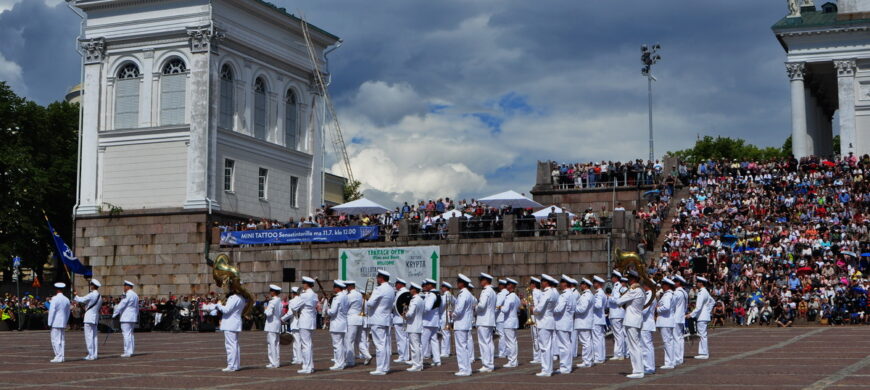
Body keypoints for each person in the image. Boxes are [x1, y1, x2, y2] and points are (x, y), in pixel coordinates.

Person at [365, 270, 396, 376]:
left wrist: (367, 298)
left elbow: (370, 303)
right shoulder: (391, 289)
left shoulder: (379, 289)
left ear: (381, 278)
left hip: (377, 319)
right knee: (386, 344)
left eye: (378, 277)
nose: (377, 280)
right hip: (386, 319)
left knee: (379, 345)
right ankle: (385, 367)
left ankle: (380, 368)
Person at [616, 272, 646, 379]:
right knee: (635, 345)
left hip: (632, 320)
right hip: (636, 319)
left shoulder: (634, 291)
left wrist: (624, 293)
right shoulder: (641, 290)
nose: (628, 280)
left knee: (634, 346)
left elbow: (619, 301)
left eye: (630, 278)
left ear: (634, 279)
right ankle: (639, 369)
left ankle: (638, 371)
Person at [214, 285, 247, 372]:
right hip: (235, 323)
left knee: (230, 345)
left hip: (229, 323)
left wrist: (219, 305)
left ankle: (231, 365)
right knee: (235, 345)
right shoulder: (242, 298)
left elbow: (226, 310)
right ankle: (236, 365)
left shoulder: (233, 298)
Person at [291, 277, 318, 374]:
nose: (303, 285)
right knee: (309, 344)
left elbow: (294, 307)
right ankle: (309, 366)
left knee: (305, 345)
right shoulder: (314, 295)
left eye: (303, 283)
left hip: (304, 321)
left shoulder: (305, 295)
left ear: (306, 284)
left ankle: (307, 366)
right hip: (311, 320)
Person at [534, 274, 559, 377]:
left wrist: (533, 309)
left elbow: (539, 309)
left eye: (542, 281)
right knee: (547, 346)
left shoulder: (547, 293)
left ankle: (546, 369)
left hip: (544, 321)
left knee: (545, 347)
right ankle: (548, 368)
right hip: (549, 320)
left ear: (546, 282)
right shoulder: (553, 293)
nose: (541, 283)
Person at [452, 273, 475, 376]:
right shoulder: (469, 294)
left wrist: (452, 315)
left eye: (458, 282)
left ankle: (464, 369)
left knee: (461, 347)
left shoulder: (463, 294)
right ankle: (467, 368)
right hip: (465, 323)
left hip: (460, 323)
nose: (457, 284)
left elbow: (459, 310)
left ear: (461, 283)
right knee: (464, 347)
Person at [73, 279, 102, 361]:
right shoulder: (99, 296)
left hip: (89, 317)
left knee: (88, 337)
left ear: (93, 286)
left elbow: (81, 299)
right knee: (94, 336)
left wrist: (76, 295)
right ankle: (94, 354)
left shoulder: (92, 294)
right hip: (95, 317)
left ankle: (90, 354)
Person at [554, 275, 576, 374]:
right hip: (568, 322)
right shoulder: (571, 294)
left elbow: (559, 309)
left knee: (563, 346)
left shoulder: (564, 295)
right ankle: (567, 366)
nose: (560, 285)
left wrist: (550, 310)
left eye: (561, 283)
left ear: (565, 283)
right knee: (567, 345)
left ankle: (565, 367)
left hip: (562, 322)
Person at [687, 276, 714, 359]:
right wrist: (707, 310)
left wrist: (690, 315)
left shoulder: (702, 292)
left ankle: (704, 354)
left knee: (702, 335)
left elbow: (698, 307)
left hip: (702, 317)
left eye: (698, 282)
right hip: (703, 316)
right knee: (702, 335)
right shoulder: (705, 291)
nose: (696, 284)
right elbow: (713, 301)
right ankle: (703, 353)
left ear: (701, 283)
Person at [344, 281, 369, 367]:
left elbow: (346, 306)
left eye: (347, 286)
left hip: (352, 319)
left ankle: (350, 361)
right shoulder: (359, 294)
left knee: (349, 340)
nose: (346, 288)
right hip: (359, 318)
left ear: (349, 286)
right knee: (359, 340)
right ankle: (367, 355)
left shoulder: (349, 296)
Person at [475, 272, 497, 373]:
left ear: (485, 281)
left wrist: (475, 308)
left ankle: (486, 364)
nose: (480, 282)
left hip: (483, 320)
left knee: (484, 343)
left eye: (481, 280)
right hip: (490, 320)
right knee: (489, 343)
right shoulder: (492, 291)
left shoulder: (485, 291)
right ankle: (490, 364)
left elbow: (482, 305)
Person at [112, 280, 139, 358]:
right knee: (130, 334)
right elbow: (137, 307)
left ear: (128, 286)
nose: (123, 287)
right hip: (132, 316)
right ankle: (131, 350)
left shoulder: (128, 294)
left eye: (124, 286)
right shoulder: (135, 295)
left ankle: (127, 351)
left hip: (126, 316)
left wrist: (115, 313)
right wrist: (136, 315)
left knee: (126, 334)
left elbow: (122, 304)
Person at [327, 280, 349, 371]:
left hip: (336, 323)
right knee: (341, 344)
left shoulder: (337, 298)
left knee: (337, 345)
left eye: (334, 287)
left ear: (337, 288)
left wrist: (328, 309)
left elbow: (332, 312)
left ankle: (339, 363)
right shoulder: (345, 296)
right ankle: (341, 362)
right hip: (343, 323)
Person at [499, 278, 520, 368]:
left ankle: (512, 361)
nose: (507, 286)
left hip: (508, 321)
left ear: (511, 286)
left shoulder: (510, 296)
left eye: (508, 285)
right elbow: (519, 306)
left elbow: (505, 309)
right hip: (514, 320)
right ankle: (514, 360)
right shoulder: (516, 296)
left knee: (510, 342)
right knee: (514, 342)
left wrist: (500, 307)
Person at [574, 278, 595, 368]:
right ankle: (587, 360)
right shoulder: (588, 295)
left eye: (582, 284)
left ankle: (587, 361)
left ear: (585, 285)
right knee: (586, 341)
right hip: (585, 321)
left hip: (583, 321)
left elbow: (582, 309)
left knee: (586, 342)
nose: (580, 286)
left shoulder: (586, 296)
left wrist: (572, 309)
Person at [656, 278, 676, 370]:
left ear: (667, 285)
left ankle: (669, 362)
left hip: (665, 320)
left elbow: (666, 307)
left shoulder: (667, 295)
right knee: (669, 342)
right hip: (669, 320)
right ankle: (671, 361)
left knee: (667, 342)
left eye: (663, 284)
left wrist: (656, 309)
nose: (662, 286)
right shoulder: (671, 294)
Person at [421, 279, 441, 367]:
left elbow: (427, 308)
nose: (426, 287)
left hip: (428, 321)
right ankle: (437, 360)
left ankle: (418, 359)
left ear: (430, 285)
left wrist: (420, 311)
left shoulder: (431, 295)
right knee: (434, 341)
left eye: (427, 285)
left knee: (423, 341)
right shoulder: (438, 294)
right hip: (434, 320)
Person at [48, 282, 70, 363]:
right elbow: (68, 312)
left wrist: (49, 322)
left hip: (55, 321)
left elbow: (52, 311)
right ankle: (62, 356)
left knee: (55, 339)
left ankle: (58, 356)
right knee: (62, 339)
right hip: (63, 321)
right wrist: (66, 320)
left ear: (57, 290)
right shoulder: (66, 299)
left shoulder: (55, 298)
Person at [280, 287, 303, 365]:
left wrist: (282, 319)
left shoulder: (292, 301)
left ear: (293, 293)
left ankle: (298, 358)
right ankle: (296, 357)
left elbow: (290, 313)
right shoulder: (302, 299)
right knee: (298, 341)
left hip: (295, 323)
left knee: (297, 341)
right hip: (302, 323)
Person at [405, 283, 425, 371]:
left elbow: (410, 313)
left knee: (414, 346)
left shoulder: (414, 300)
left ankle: (416, 365)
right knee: (418, 346)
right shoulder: (421, 299)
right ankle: (419, 363)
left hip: (413, 325)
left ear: (414, 290)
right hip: (419, 324)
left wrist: (405, 315)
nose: (410, 290)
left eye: (411, 289)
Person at [607, 271, 627, 361]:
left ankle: (619, 353)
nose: (611, 278)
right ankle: (619, 353)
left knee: (618, 335)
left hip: (616, 313)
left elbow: (617, 300)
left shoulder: (618, 287)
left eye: (612, 277)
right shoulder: (618, 287)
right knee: (619, 334)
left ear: (615, 278)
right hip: (618, 313)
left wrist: (608, 297)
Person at [263, 284, 283, 369]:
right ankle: (276, 361)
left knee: (271, 344)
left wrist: (265, 308)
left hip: (271, 325)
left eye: (271, 291)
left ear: (273, 292)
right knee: (276, 344)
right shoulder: (280, 301)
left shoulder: (272, 302)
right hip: (277, 324)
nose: (270, 293)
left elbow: (268, 313)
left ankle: (273, 362)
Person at [640, 280, 657, 375]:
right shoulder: (650, 294)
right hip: (646, 323)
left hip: (646, 323)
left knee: (646, 346)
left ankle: (649, 367)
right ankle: (648, 366)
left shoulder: (649, 295)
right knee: (646, 346)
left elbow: (644, 310)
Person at [392, 278, 410, 364]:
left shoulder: (402, 292)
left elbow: (397, 305)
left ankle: (404, 356)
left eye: (396, 284)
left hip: (400, 318)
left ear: (400, 284)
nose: (395, 286)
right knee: (402, 338)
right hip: (400, 318)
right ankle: (403, 355)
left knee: (402, 338)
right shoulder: (403, 292)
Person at [672, 275, 689, 365]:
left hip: (676, 317)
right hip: (681, 316)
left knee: (676, 338)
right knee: (680, 338)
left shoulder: (677, 293)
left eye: (675, 281)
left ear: (678, 283)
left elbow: (672, 305)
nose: (673, 283)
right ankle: (680, 357)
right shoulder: (685, 292)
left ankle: (677, 358)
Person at [591, 275, 608, 364]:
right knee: (600, 339)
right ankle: (601, 356)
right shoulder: (602, 293)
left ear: (598, 284)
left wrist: (591, 304)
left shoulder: (599, 293)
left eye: (594, 283)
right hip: (600, 318)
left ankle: (598, 357)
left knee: (597, 339)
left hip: (596, 318)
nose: (593, 284)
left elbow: (598, 305)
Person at [528, 277, 543, 364]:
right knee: (539, 337)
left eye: (531, 284)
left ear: (533, 284)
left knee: (535, 338)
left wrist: (527, 305)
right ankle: (539, 356)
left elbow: (534, 306)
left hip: (534, 316)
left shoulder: (534, 293)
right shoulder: (540, 292)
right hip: (539, 317)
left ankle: (537, 357)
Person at [439, 281, 454, 358]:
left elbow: (441, 307)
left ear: (445, 288)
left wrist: (439, 313)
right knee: (446, 334)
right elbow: (456, 303)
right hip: (449, 317)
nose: (441, 288)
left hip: (444, 317)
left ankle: (445, 351)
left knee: (445, 334)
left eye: (442, 287)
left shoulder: (445, 296)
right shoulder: (451, 295)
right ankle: (446, 351)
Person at [495, 279, 509, 358]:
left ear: (502, 285)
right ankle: (506, 351)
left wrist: (492, 315)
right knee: (505, 335)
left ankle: (502, 352)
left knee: (501, 336)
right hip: (506, 317)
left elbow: (497, 306)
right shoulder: (508, 293)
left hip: (500, 317)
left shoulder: (501, 294)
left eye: (499, 285)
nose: (499, 286)